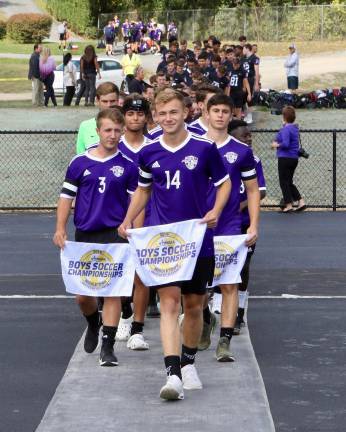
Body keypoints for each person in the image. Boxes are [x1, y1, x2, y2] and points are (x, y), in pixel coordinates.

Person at [118, 88, 231, 401]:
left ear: (187, 113)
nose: (168, 118)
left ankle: (189, 360)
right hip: (164, 241)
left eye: (174, 112)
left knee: (193, 306)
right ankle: (173, 374)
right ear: (157, 115)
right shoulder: (148, 153)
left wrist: (216, 211)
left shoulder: (205, 149)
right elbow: (142, 191)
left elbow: (225, 185)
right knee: (168, 304)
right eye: (162, 113)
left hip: (198, 239)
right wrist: (128, 219)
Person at [53, 108, 138, 367]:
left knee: (112, 291)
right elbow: (66, 198)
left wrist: (130, 227)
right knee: (83, 294)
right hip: (85, 233)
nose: (112, 135)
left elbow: (137, 201)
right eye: (107, 130)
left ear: (122, 131)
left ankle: (108, 347)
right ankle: (93, 323)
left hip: (115, 234)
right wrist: (60, 228)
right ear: (98, 131)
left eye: (116, 130)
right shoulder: (79, 162)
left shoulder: (128, 166)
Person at [206, 95, 260, 362]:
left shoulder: (241, 151)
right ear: (207, 113)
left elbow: (252, 190)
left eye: (224, 111)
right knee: (194, 289)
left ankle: (225, 341)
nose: (219, 115)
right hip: (197, 228)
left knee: (229, 285)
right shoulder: (193, 146)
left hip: (229, 227)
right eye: (215, 110)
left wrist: (254, 226)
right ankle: (205, 318)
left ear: (231, 115)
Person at [117, 94, 152, 347]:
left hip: (151, 219)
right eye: (131, 113)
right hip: (117, 219)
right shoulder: (113, 144)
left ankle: (138, 328)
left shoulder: (154, 145)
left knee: (142, 275)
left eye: (140, 114)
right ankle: (124, 314)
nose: (136, 118)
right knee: (118, 272)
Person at [233, 120, 266, 335]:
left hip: (244, 223)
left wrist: (241, 205)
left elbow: (260, 190)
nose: (249, 138)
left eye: (250, 135)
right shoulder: (216, 155)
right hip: (222, 224)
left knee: (243, 268)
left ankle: (239, 310)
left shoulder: (254, 160)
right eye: (245, 135)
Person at [271, 106, 306, 213]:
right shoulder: (294, 128)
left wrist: (277, 145)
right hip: (294, 158)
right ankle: (301, 201)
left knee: (283, 182)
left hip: (285, 157)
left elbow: (285, 144)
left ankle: (288, 204)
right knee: (289, 182)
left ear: (284, 116)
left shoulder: (286, 129)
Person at [76, 82, 119, 154]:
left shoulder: (126, 126)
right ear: (97, 101)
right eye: (105, 101)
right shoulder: (85, 126)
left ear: (117, 101)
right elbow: (80, 155)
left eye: (112, 101)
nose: (109, 105)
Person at [242, 43, 260, 124]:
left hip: (250, 79)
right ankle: (246, 114)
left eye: (243, 49)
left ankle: (250, 116)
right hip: (244, 79)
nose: (242, 50)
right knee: (244, 97)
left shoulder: (254, 58)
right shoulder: (243, 58)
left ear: (247, 49)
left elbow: (256, 72)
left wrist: (256, 83)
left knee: (250, 98)